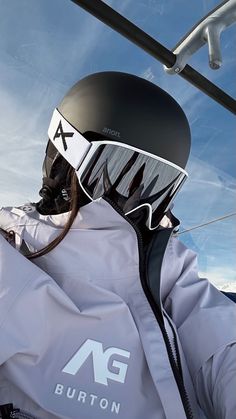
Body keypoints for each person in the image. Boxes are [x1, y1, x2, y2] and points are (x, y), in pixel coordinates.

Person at [0, 72, 235, 419]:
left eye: (157, 187)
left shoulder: (168, 263)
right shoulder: (12, 255)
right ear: (65, 158)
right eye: (122, 175)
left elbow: (220, 344)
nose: (139, 205)